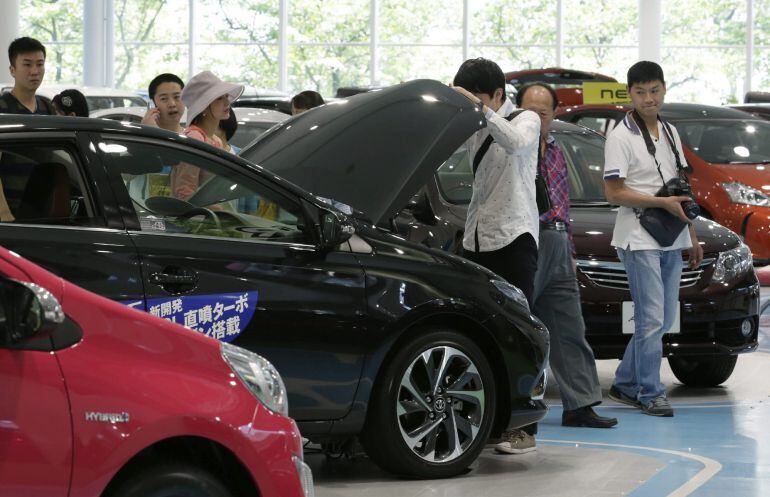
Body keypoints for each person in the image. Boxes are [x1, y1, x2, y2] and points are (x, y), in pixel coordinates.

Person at [450, 58, 541, 455]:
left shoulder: (526, 120)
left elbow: (515, 143)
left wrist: (480, 109)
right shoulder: (475, 122)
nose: (473, 106)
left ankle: (526, 429)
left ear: (498, 96)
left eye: (479, 99)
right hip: (476, 238)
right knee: (480, 333)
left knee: (519, 334)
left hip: (514, 239)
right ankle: (485, 421)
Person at [603, 61, 703, 417]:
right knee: (650, 319)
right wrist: (661, 203)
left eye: (655, 90)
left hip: (672, 236)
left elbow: (682, 188)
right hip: (638, 236)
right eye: (641, 92)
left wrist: (691, 231)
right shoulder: (620, 136)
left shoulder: (671, 131)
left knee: (662, 318)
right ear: (629, 94)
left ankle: (626, 381)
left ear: (664, 89)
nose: (649, 99)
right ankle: (650, 392)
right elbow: (614, 193)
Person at [517, 82, 618, 430]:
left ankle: (581, 404)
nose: (534, 118)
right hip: (527, 240)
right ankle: (518, 409)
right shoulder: (515, 150)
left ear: (555, 114)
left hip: (558, 242)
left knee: (568, 325)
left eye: (542, 113)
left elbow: (562, 206)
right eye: (527, 111)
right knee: (521, 327)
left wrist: (570, 250)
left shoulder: (556, 148)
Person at [171, 70, 243, 200]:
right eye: (219, 98)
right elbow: (185, 191)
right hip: (197, 217)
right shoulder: (194, 138)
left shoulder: (215, 140)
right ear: (203, 107)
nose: (227, 103)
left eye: (226, 96)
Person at [0, 37, 54, 115]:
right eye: (27, 64)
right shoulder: (2, 107)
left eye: (40, 64)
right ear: (12, 70)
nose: (35, 72)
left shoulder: (48, 107)